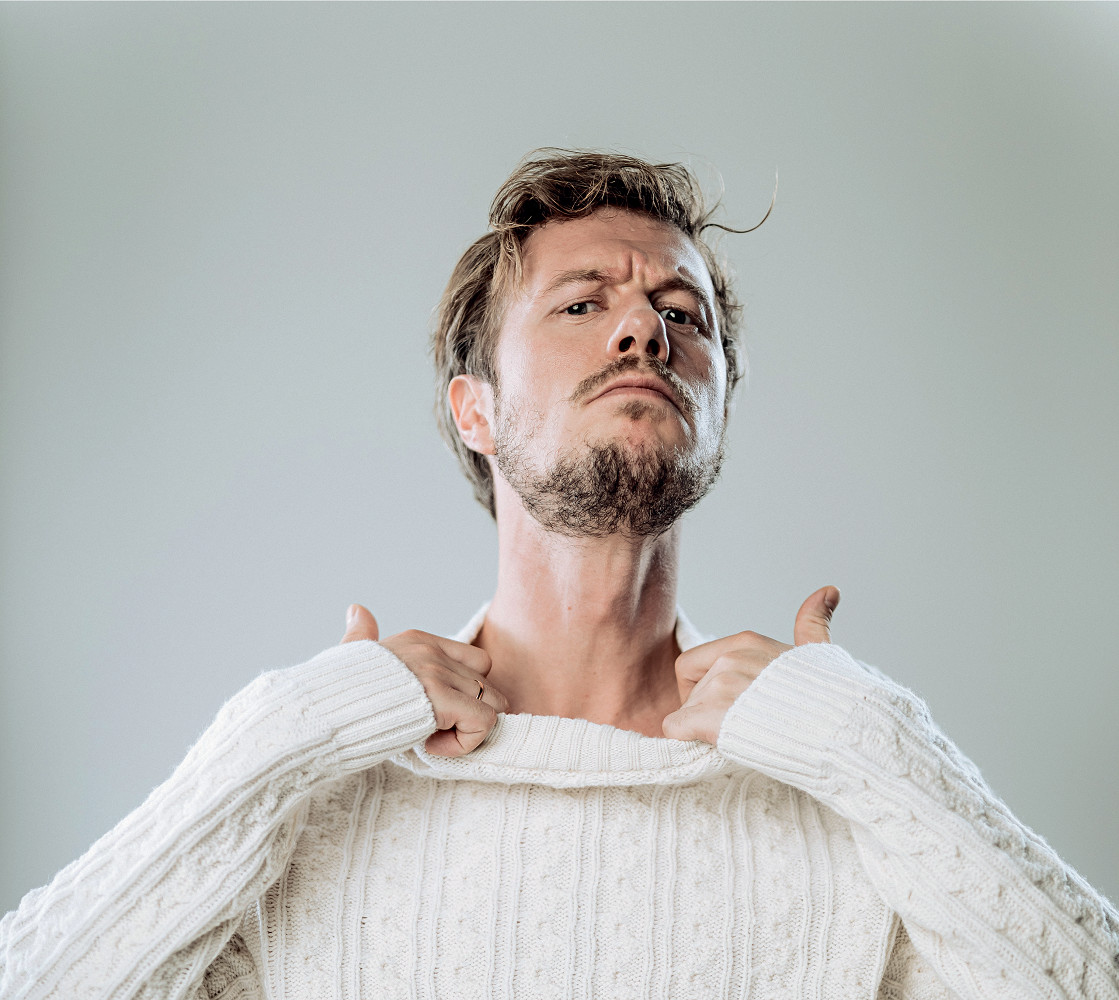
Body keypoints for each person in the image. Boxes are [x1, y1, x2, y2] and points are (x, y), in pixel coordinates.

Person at [1, 150, 1116, 1000]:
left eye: (681, 315)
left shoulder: (840, 804)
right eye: (583, 304)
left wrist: (873, 745)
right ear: (474, 410)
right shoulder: (316, 804)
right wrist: (280, 738)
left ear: (719, 405)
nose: (645, 333)